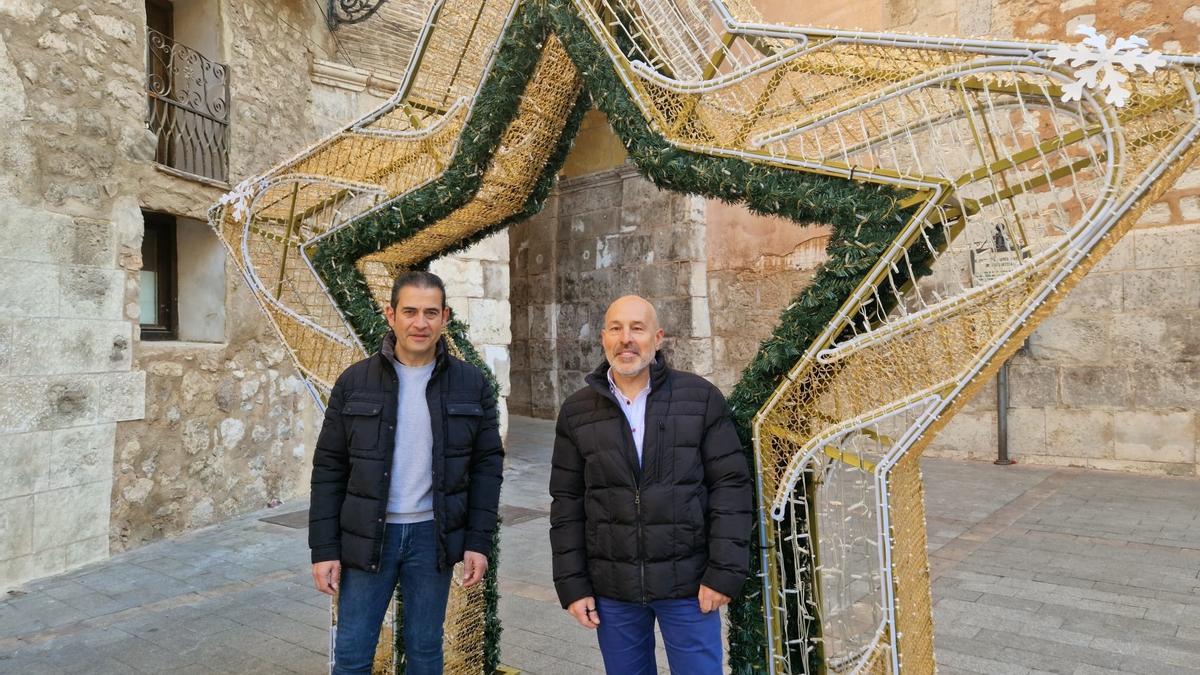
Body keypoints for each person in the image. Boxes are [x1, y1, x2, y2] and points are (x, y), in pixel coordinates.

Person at [309, 271, 503, 675]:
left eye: (431, 313)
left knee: (425, 649)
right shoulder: (355, 382)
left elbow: (487, 468)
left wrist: (477, 542)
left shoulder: (471, 384)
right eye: (410, 311)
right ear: (390, 315)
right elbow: (329, 468)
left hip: (432, 537)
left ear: (445, 317)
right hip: (369, 535)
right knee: (352, 652)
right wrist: (324, 549)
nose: (420, 323)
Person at [549, 294, 753, 674]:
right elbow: (567, 502)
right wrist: (573, 585)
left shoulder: (700, 399)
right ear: (603, 338)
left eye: (637, 328)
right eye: (616, 328)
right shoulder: (577, 412)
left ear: (657, 338)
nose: (626, 338)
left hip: (689, 586)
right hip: (614, 589)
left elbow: (731, 487)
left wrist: (723, 573)